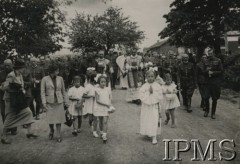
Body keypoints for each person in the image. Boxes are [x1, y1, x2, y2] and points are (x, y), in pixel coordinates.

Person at [1, 59, 38, 144]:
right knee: (9, 118)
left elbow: (21, 85)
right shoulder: (11, 75)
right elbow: (4, 88)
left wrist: (22, 87)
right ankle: (3, 137)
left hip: (18, 99)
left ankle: (29, 132)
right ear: (19, 68)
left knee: (28, 112)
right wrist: (14, 87)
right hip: (11, 100)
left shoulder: (19, 75)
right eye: (23, 68)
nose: (24, 69)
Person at [41, 63, 68, 143]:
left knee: (59, 119)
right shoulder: (44, 79)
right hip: (49, 102)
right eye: (57, 71)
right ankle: (52, 130)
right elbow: (42, 92)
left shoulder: (60, 78)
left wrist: (66, 101)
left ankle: (58, 134)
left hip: (59, 101)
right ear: (52, 71)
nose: (58, 72)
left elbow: (63, 90)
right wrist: (44, 102)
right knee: (51, 119)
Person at [139, 70, 163, 145]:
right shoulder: (144, 86)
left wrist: (153, 93)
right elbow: (141, 95)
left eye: (152, 76)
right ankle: (147, 132)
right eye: (148, 76)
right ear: (146, 77)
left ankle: (154, 136)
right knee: (146, 119)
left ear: (155, 77)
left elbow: (160, 95)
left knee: (154, 120)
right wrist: (148, 93)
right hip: (146, 106)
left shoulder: (157, 86)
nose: (150, 78)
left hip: (154, 106)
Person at [203, 48, 223, 119]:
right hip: (207, 82)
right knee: (206, 97)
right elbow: (202, 72)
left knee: (214, 98)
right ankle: (207, 111)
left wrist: (213, 73)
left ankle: (213, 113)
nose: (210, 55)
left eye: (211, 53)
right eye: (209, 54)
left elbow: (221, 71)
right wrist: (206, 71)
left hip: (215, 82)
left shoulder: (218, 61)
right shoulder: (205, 61)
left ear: (214, 53)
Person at [93, 75, 113, 143]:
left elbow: (109, 98)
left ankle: (104, 135)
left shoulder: (107, 89)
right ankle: (101, 132)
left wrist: (110, 106)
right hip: (99, 107)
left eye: (104, 82)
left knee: (105, 121)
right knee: (101, 121)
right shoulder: (97, 90)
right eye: (101, 82)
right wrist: (106, 104)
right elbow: (97, 101)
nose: (103, 83)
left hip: (106, 107)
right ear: (99, 82)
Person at [0, 59, 17, 135]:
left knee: (12, 112)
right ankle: (6, 128)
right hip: (2, 95)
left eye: (8, 65)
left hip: (12, 95)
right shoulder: (1, 73)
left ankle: (13, 128)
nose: (7, 67)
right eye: (5, 65)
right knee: (3, 112)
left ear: (12, 64)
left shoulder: (15, 73)